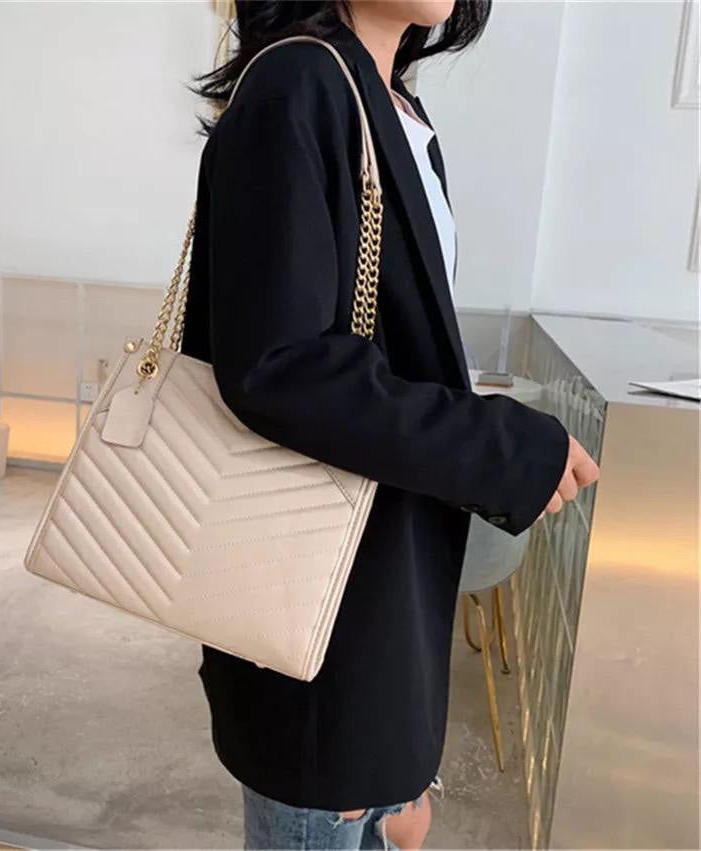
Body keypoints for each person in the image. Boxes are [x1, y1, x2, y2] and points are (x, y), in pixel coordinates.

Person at [181, 2, 600, 848]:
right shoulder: (299, 83)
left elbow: (389, 353)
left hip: (376, 616)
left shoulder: (392, 107)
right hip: (317, 621)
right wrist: (500, 444)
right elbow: (281, 367)